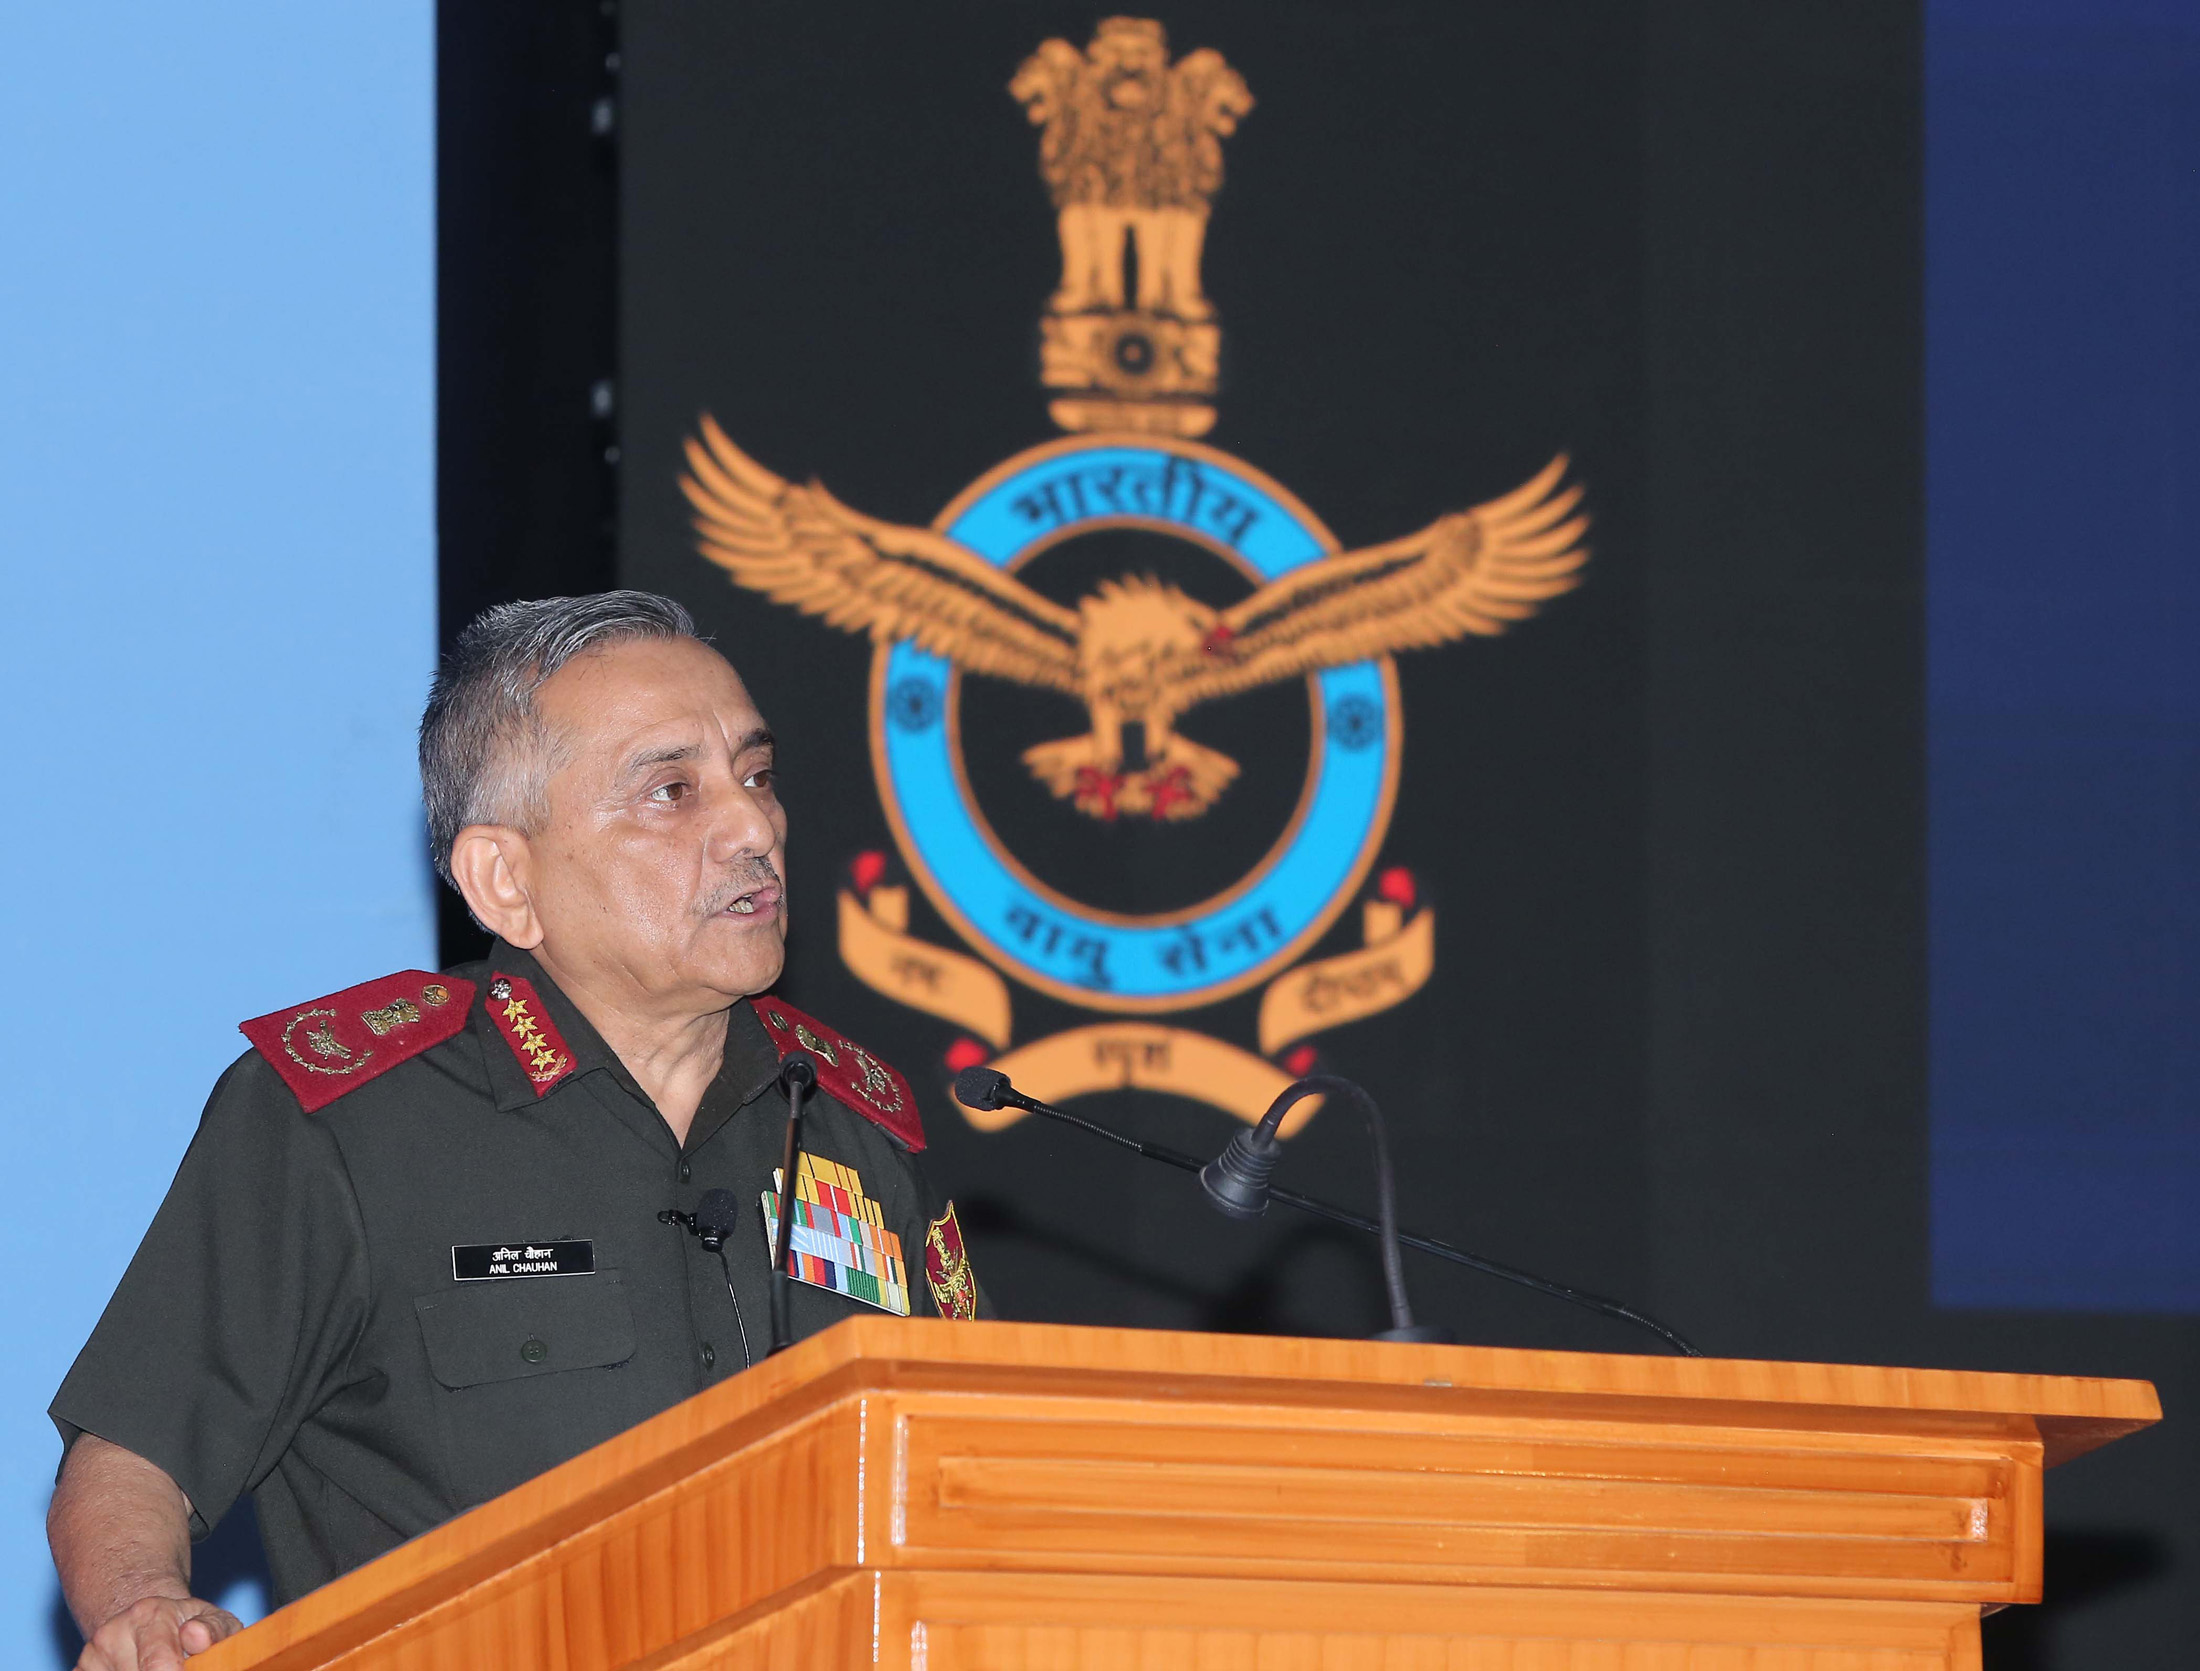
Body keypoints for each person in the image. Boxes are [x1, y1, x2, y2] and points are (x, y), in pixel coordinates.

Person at [47, 592, 985, 1671]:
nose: (753, 827)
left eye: (757, 775)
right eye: (673, 791)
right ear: (506, 879)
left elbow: (979, 1464)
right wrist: (148, 1608)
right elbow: (138, 1452)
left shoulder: (856, 1126)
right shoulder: (350, 1121)